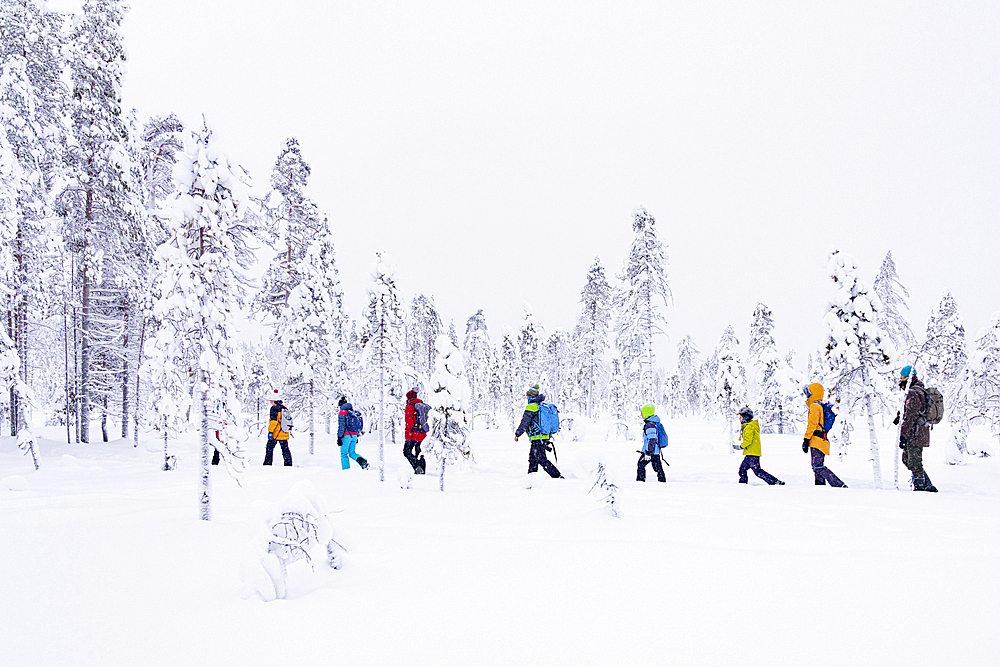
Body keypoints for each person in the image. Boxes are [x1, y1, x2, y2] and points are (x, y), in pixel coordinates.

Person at [898, 366, 938, 492]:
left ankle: (921, 489)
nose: (900, 379)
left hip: (915, 433)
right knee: (907, 460)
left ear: (908, 377)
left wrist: (903, 434)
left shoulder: (913, 392)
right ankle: (927, 485)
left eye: (902, 376)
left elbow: (911, 416)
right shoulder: (917, 390)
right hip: (917, 432)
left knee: (914, 462)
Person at [802, 383, 847, 487]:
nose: (807, 396)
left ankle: (839, 485)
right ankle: (820, 488)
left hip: (817, 440)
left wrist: (806, 439)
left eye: (809, 393)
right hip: (822, 440)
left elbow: (812, 424)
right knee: (817, 466)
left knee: (817, 467)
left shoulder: (815, 406)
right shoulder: (821, 405)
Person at [514, 385, 562, 478]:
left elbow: (525, 422)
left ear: (531, 397)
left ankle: (557, 475)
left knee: (541, 458)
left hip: (537, 437)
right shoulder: (541, 406)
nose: (526, 398)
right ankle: (531, 477)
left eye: (527, 396)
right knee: (533, 458)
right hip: (543, 436)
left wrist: (517, 434)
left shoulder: (532, 407)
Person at [737, 406, 784, 485]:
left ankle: (775, 482)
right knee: (743, 470)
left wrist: (741, 446)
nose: (739, 419)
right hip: (751, 453)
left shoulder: (749, 427)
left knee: (757, 471)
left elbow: (748, 440)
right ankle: (742, 483)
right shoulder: (750, 426)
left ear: (745, 417)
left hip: (752, 454)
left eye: (741, 417)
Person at [637, 404, 666, 482]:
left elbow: (652, 439)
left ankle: (640, 481)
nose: (641, 415)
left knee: (641, 465)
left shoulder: (650, 425)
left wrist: (648, 452)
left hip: (650, 451)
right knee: (658, 467)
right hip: (655, 451)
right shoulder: (653, 423)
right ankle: (662, 481)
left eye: (642, 413)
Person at [264, 389, 293, 466]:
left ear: (274, 401)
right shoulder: (284, 408)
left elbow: (274, 422)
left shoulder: (274, 408)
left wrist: (270, 432)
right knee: (285, 449)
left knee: (269, 448)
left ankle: (267, 464)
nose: (270, 402)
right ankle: (288, 464)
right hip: (284, 431)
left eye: (271, 401)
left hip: (276, 433)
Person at [337, 400, 368, 470]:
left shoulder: (343, 412)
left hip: (346, 436)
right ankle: (363, 462)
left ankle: (346, 470)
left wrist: (339, 437)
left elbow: (341, 426)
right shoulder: (354, 413)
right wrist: (356, 436)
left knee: (344, 454)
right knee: (352, 453)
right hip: (354, 435)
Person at [403, 389, 428, 474]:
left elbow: (409, 423)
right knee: (420, 452)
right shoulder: (421, 405)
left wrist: (408, 436)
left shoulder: (409, 407)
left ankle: (417, 467)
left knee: (406, 451)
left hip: (413, 434)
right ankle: (422, 470)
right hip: (422, 433)